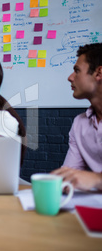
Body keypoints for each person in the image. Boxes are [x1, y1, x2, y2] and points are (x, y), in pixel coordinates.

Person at [52, 43, 102, 191]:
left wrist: (96, 179)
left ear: (99, 73)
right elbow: (68, 178)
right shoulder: (79, 123)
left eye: (77, 71)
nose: (70, 77)